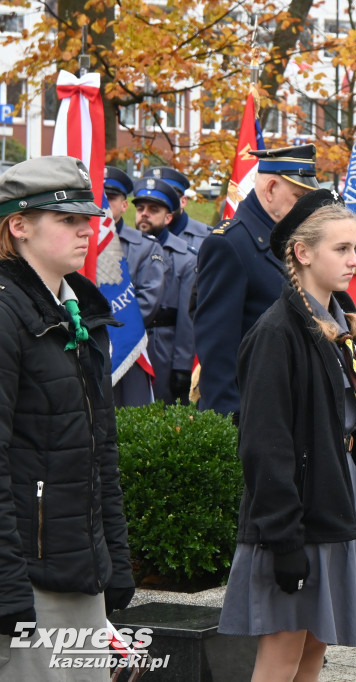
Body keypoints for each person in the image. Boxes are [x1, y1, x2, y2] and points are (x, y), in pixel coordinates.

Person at [218, 193, 356, 681]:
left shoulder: (342, 325)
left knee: (315, 650)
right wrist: (283, 539)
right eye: (341, 249)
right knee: (281, 657)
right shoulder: (276, 334)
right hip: (296, 510)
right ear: (303, 253)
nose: (354, 260)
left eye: (354, 247)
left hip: (337, 495)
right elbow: (264, 445)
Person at [0, 156, 134, 679]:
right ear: (19, 226)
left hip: (80, 572)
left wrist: (115, 561)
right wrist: (7, 587)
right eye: (68, 220)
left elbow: (100, 453)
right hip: (28, 581)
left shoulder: (76, 311)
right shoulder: (9, 312)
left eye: (88, 218)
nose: (87, 230)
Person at [194, 144, 317, 418]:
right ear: (270, 188)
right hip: (253, 411)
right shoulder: (231, 244)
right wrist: (231, 422)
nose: (305, 208)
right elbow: (217, 348)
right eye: (299, 197)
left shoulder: (285, 240)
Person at [104, 166, 168, 407]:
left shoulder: (146, 247)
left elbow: (146, 303)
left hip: (125, 346)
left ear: (123, 205)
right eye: (98, 197)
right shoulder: (78, 241)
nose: (103, 204)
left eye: (110, 198)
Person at [133, 177, 197, 405]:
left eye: (153, 209)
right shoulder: (125, 249)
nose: (145, 214)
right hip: (130, 342)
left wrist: (181, 366)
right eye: (140, 208)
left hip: (164, 347)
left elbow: (187, 319)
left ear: (168, 217)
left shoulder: (186, 258)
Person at [141, 166, 212, 251]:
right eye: (151, 201)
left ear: (183, 201)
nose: (159, 206)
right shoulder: (137, 237)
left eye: (166, 199)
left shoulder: (206, 239)